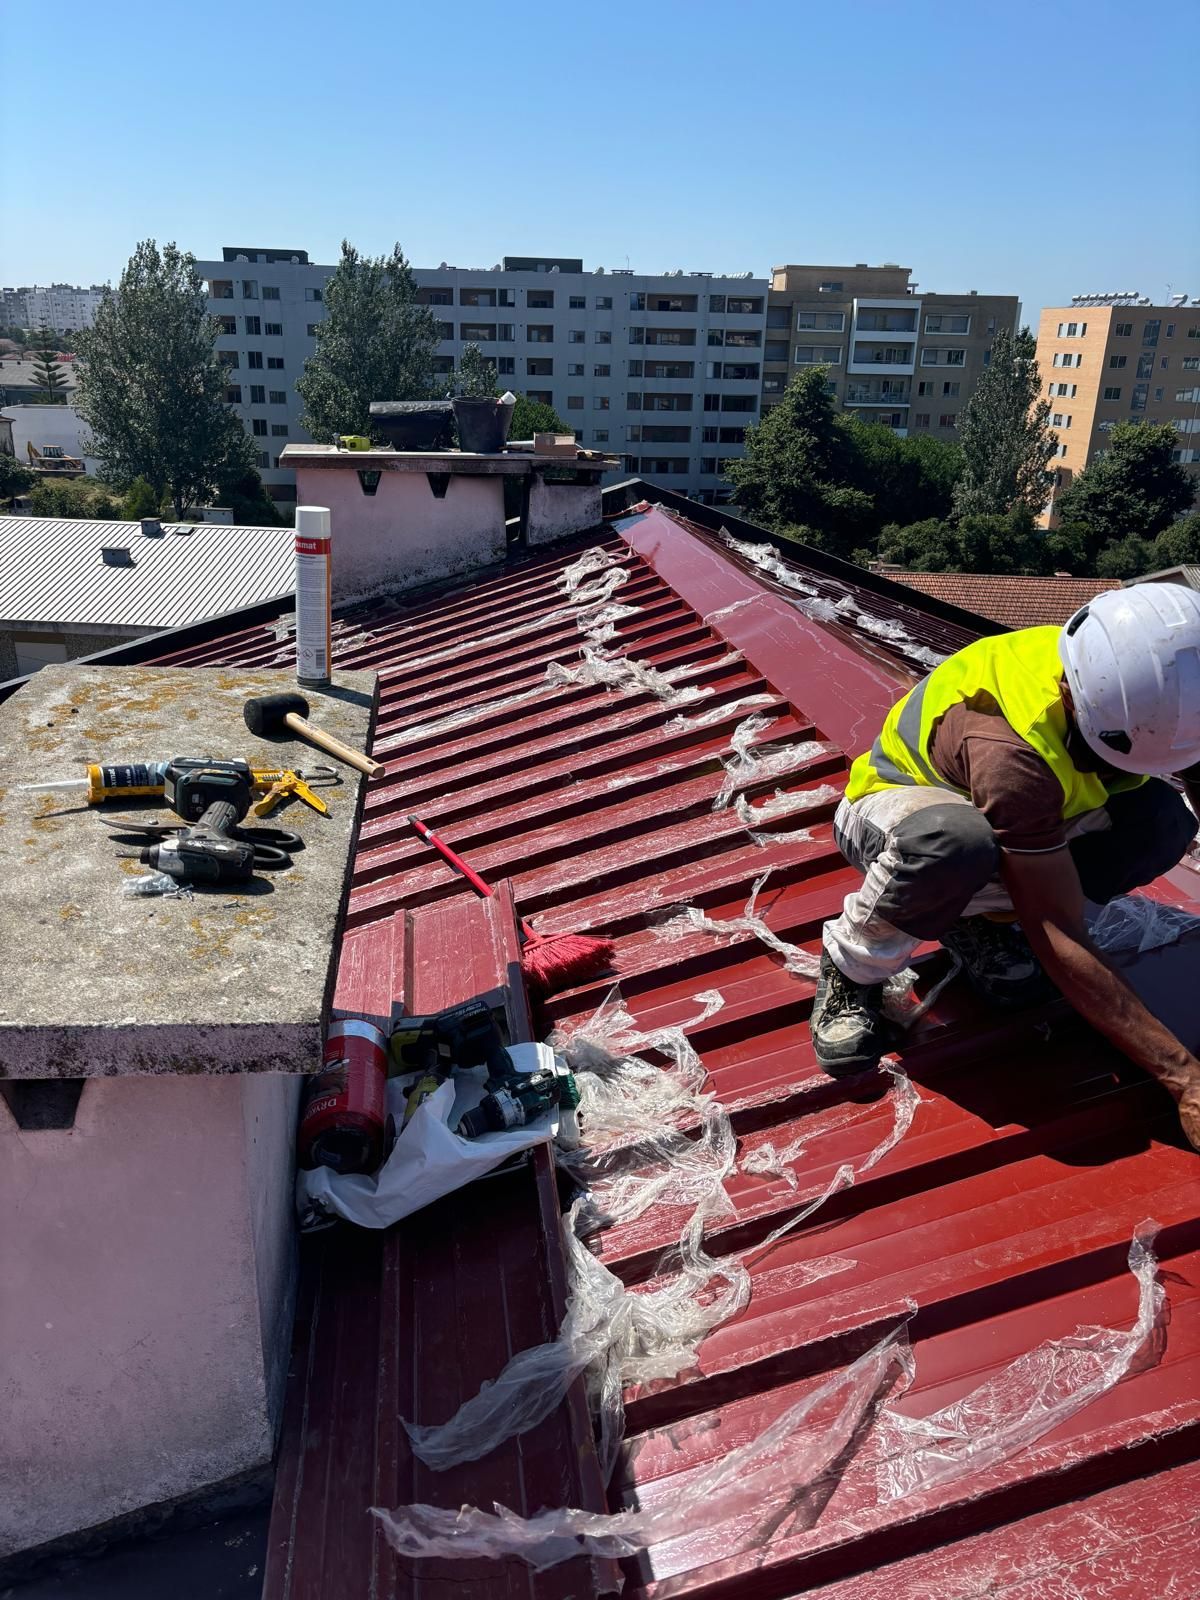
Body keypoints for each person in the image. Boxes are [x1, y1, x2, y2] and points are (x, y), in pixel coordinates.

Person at [811, 582, 1200, 1149]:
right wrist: (1183, 1078)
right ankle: (850, 972)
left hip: (1028, 812)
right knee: (955, 843)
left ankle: (984, 925)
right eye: (1106, 752)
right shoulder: (1013, 747)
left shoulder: (1163, 684)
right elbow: (1055, 926)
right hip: (897, 816)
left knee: (1163, 824)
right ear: (1073, 694)